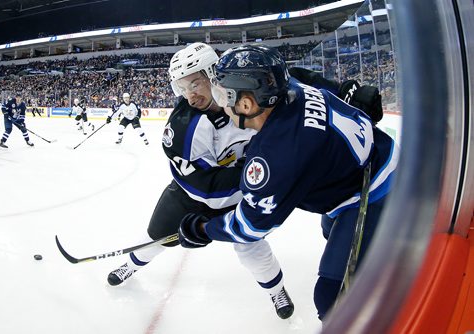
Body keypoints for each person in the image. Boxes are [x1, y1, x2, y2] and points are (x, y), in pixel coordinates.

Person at [176, 44, 398, 321]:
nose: (220, 102)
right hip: (373, 161)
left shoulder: (275, 156)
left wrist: (203, 229)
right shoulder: (287, 85)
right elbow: (306, 80)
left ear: (246, 104)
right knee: (331, 227)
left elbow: (249, 226)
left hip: (375, 192)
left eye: (223, 95)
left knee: (331, 298)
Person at [107, 42, 295, 319]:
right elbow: (207, 190)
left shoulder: (249, 94)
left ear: (214, 75)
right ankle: (131, 266)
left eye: (195, 85)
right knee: (155, 237)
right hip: (191, 195)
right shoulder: (183, 128)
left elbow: (291, 84)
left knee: (252, 247)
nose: (189, 96)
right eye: (181, 88)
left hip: (241, 191)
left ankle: (275, 290)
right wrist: (260, 170)